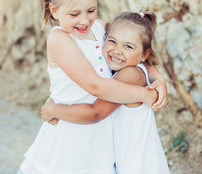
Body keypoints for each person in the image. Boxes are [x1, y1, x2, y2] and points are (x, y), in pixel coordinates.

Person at [19, 0, 167, 174]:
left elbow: (135, 57)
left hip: (97, 142)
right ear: (54, 10)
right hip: (68, 139)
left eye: (91, 10)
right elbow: (95, 85)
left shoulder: (100, 27)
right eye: (74, 14)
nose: (84, 20)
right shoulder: (59, 39)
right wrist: (143, 93)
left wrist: (158, 78)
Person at [41, 10, 170, 174]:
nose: (117, 51)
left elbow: (95, 113)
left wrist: (51, 109)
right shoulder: (125, 69)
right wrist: (159, 78)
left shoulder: (130, 75)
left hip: (139, 165)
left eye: (128, 46)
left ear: (144, 54)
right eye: (112, 41)